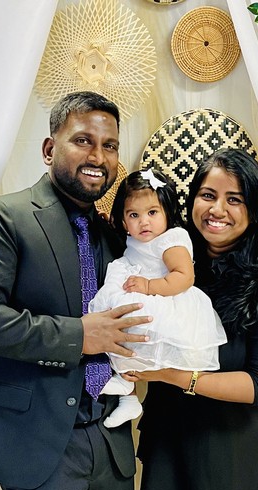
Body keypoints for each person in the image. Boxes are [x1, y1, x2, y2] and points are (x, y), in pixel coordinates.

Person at [0, 91, 153, 490]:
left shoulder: (116, 236)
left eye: (110, 145)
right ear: (48, 149)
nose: (98, 156)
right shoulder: (2, 217)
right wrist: (79, 336)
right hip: (40, 443)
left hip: (111, 438)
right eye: (83, 140)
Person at [126, 148, 258, 490]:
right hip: (172, 444)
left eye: (234, 199)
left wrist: (173, 376)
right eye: (208, 195)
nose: (217, 209)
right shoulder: (173, 266)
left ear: (254, 210)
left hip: (235, 455)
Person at [90, 169, 226, 428]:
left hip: (164, 301)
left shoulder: (171, 240)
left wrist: (149, 286)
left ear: (167, 212)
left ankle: (125, 383)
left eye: (152, 212)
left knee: (132, 326)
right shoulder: (134, 239)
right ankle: (128, 395)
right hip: (138, 290)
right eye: (134, 215)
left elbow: (184, 276)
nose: (144, 222)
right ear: (123, 220)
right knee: (112, 324)